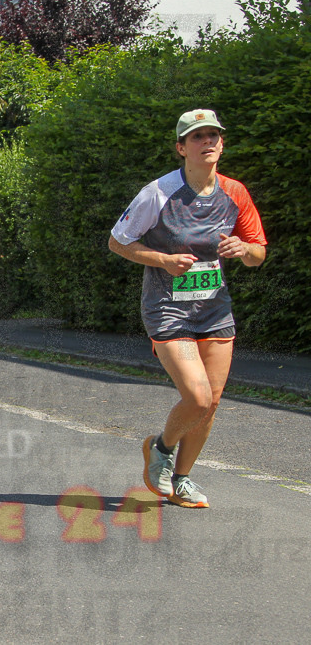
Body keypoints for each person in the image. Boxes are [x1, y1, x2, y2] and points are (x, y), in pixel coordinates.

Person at [109, 109, 267, 509]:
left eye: (213, 135)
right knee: (196, 397)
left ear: (222, 144)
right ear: (181, 148)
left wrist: (244, 249)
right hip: (167, 309)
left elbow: (258, 254)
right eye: (197, 137)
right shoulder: (159, 192)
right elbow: (118, 241)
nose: (207, 141)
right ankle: (160, 448)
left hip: (214, 310)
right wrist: (163, 260)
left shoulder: (236, 193)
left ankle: (181, 480)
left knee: (210, 403)